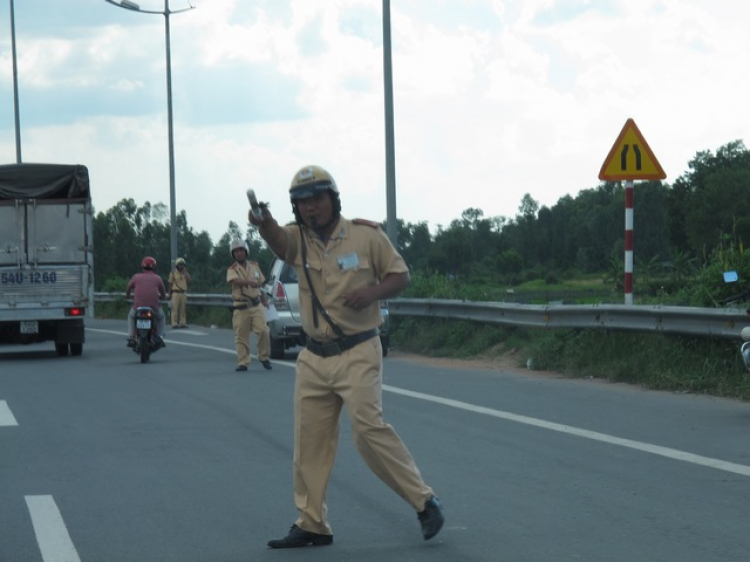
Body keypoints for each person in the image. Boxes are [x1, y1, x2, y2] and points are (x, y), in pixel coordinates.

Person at [249, 165, 444, 548]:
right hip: (313, 357)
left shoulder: (365, 235)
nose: (310, 209)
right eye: (302, 203)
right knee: (310, 442)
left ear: (333, 198)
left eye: (317, 200)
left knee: (368, 433)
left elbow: (399, 275)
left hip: (358, 349)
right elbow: (277, 242)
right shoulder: (298, 239)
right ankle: (312, 523)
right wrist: (264, 222)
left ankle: (425, 502)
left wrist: (371, 295)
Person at [226, 239, 273, 372]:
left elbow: (260, 285)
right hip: (240, 306)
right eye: (236, 252)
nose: (239, 253)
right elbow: (235, 280)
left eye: (241, 250)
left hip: (256, 304)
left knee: (263, 330)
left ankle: (263, 356)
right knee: (241, 335)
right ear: (233, 254)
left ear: (246, 251)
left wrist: (264, 300)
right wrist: (249, 282)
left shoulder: (254, 266)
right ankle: (243, 361)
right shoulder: (232, 269)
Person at [125, 256, 166, 347]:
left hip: (137, 307)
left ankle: (132, 337)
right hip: (154, 307)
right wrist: (163, 297)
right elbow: (163, 292)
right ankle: (159, 336)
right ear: (154, 267)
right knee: (161, 317)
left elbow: (128, 288)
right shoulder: (158, 278)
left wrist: (127, 295)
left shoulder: (136, 277)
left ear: (142, 266)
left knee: (131, 316)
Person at [168, 257, 191, 328]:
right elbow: (170, 283)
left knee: (183, 309)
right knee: (174, 308)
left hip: (183, 293)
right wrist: (169, 293)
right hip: (175, 292)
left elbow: (189, 280)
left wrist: (185, 273)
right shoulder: (173, 273)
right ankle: (174, 323)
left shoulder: (185, 273)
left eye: (182, 265)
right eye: (180, 264)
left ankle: (182, 323)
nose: (181, 266)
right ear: (177, 265)